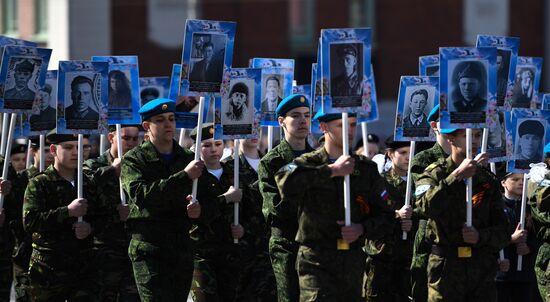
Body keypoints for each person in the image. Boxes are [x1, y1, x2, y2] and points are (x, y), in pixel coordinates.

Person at [275, 111, 393, 301]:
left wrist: (361, 228)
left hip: (352, 263)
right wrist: (331, 171)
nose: (350, 130)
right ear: (323, 127)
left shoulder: (365, 169)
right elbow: (284, 182)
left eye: (353, 124)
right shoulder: (307, 163)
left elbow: (387, 216)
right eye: (342, 125)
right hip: (316, 262)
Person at [121, 98, 204, 301]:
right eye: (161, 120)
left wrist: (199, 209)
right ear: (147, 126)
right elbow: (142, 196)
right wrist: (183, 176)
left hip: (180, 247)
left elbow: (208, 196)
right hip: (150, 249)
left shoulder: (187, 158)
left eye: (171, 119)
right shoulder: (134, 160)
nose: (168, 124)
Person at [414, 127, 508, 301]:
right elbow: (423, 207)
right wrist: (456, 176)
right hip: (446, 268)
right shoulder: (435, 173)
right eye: (466, 135)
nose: (474, 140)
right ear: (451, 139)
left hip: (480, 269)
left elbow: (503, 230)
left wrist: (480, 236)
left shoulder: (487, 179)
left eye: (478, 135)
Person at [23, 131, 103, 301]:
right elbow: (30, 222)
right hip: (49, 270)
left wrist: (90, 227)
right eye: (68, 147)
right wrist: (67, 212)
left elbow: (103, 216)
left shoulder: (88, 182)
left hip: (83, 267)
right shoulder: (40, 183)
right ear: (53, 149)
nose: (75, 152)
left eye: (79, 147)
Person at [258, 94, 313, 302]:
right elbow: (274, 210)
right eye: (296, 116)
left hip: (314, 245)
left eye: (307, 116)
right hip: (287, 245)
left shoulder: (318, 157)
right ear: (281, 121)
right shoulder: (271, 162)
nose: (303, 121)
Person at [83, 125, 140, 301]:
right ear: (111, 137)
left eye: (134, 139)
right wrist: (112, 171)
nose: (130, 143)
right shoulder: (95, 164)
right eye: (125, 138)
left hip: (133, 248)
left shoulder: (140, 166)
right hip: (104, 249)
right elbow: (84, 186)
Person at [188, 123, 245, 301]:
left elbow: (250, 210)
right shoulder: (194, 176)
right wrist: (225, 198)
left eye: (218, 144)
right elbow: (197, 211)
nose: (213, 149)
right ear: (196, 148)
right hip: (202, 252)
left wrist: (243, 229)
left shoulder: (234, 172)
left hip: (229, 252)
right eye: (206, 145)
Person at [364, 137, 416, 301]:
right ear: (390, 154)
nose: (408, 157)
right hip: (381, 256)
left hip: (408, 258)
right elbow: (368, 215)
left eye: (411, 153)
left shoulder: (419, 183)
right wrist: (396, 215)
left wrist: (412, 224)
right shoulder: (378, 182)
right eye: (403, 153)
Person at [224, 138, 277, 301]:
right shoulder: (229, 167)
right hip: (244, 250)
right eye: (248, 127)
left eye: (256, 126)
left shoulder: (271, 162)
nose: (253, 133)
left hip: (270, 248)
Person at [409, 104, 452, 302]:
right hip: (430, 237)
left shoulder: (470, 160)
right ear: (435, 126)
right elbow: (423, 202)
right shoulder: (423, 159)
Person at [10, 136, 54, 302]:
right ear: (33, 152)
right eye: (43, 150)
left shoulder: (61, 178)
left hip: (50, 251)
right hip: (24, 248)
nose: (48, 155)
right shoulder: (21, 179)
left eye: (50, 150)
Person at [496, 172, 541, 302]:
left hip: (524, 275)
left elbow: (539, 237)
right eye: (515, 179)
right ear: (503, 182)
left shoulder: (531, 208)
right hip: (501, 274)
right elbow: (488, 236)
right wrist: (510, 239)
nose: (521, 182)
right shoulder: (495, 207)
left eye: (523, 179)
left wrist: (529, 248)